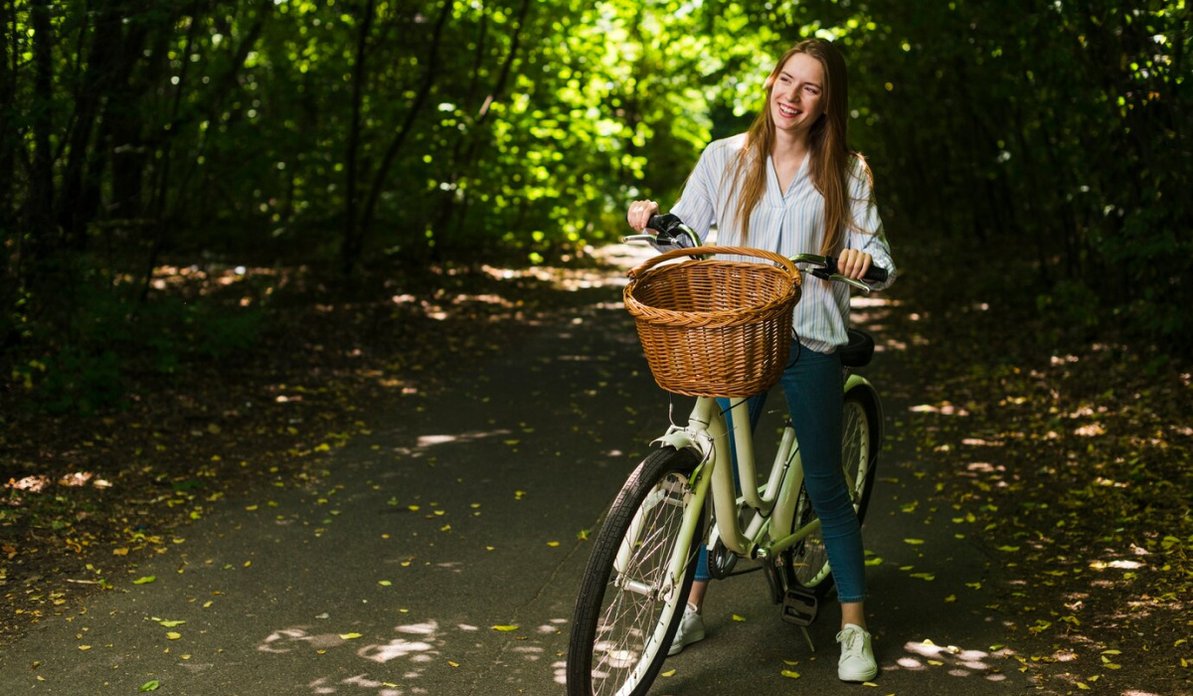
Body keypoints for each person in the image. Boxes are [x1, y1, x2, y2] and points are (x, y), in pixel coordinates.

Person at [625, 38, 895, 683]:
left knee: (826, 484)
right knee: (710, 471)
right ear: (771, 82)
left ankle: (854, 628)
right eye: (785, 80)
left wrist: (860, 261)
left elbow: (879, 262)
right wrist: (654, 219)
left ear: (828, 103)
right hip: (737, 332)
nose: (791, 96)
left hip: (807, 334)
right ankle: (685, 608)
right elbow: (687, 230)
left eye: (809, 88)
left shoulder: (847, 172)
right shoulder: (726, 157)